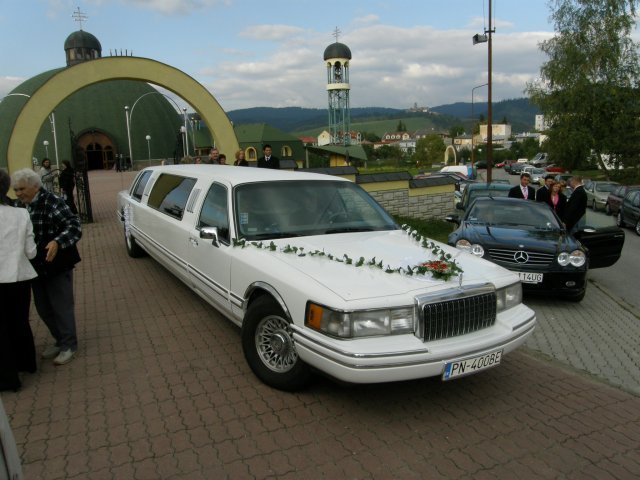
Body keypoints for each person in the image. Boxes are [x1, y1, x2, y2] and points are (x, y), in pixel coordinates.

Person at [12, 168, 82, 366]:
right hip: (35, 266)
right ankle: (59, 339)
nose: (18, 194)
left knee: (61, 307)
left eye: (22, 189)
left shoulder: (52, 201)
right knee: (43, 308)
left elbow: (74, 225)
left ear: (35, 186)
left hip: (56, 264)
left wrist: (57, 242)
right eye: (15, 190)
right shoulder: (19, 206)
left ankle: (69, 345)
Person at [0, 169, 38, 391]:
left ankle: (9, 378)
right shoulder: (21, 214)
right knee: (20, 321)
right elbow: (31, 252)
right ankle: (27, 363)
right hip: (19, 277)